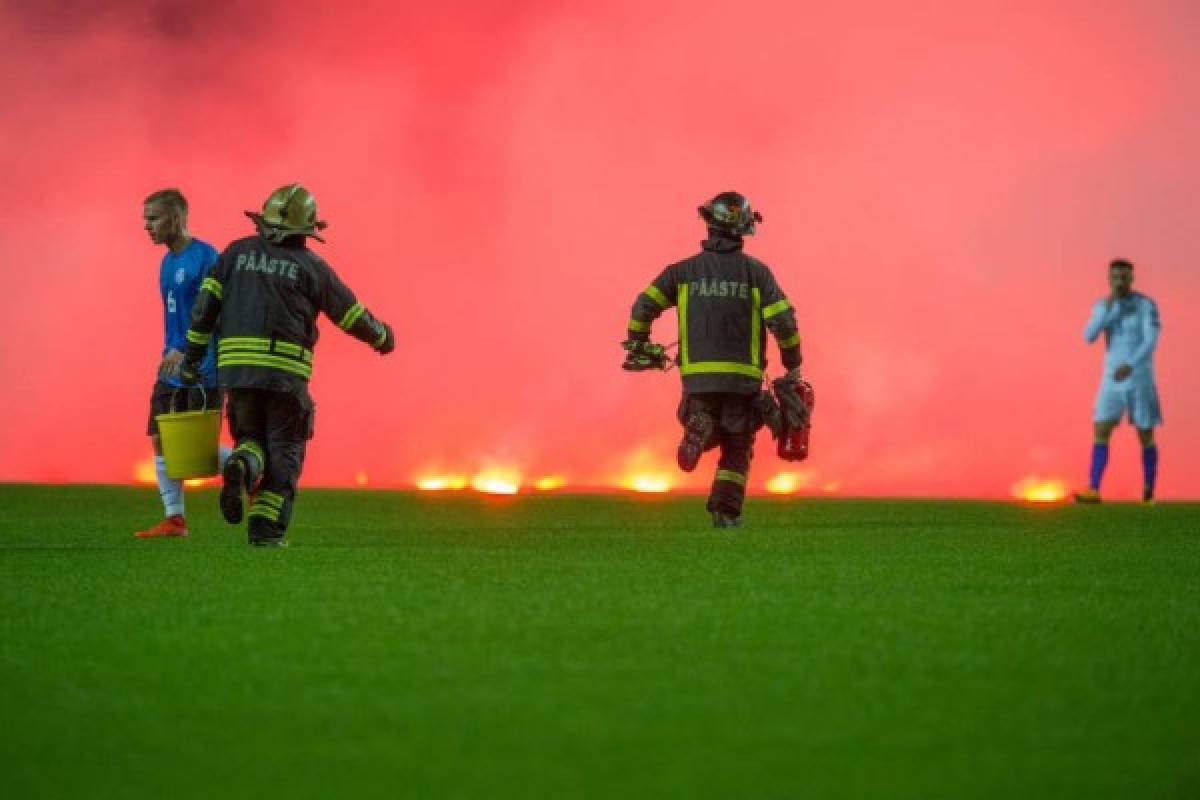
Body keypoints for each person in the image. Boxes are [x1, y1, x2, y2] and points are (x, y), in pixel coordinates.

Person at [180, 184, 395, 547]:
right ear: (306, 229)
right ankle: (266, 533)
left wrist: (191, 358)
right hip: (284, 376)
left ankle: (242, 466)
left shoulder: (235, 253)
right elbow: (349, 313)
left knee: (250, 440)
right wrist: (381, 337)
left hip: (238, 374)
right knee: (285, 453)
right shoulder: (312, 267)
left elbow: (204, 309)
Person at [624, 191, 802, 528]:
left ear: (709, 224)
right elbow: (784, 322)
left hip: (698, 377)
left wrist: (638, 342)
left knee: (703, 415)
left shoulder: (682, 272)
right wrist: (793, 362)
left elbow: (642, 307)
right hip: (743, 379)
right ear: (746, 229)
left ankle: (701, 429)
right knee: (738, 443)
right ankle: (725, 512)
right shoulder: (757, 274)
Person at [136, 188, 223, 538]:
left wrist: (187, 350)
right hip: (170, 367)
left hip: (201, 367)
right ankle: (175, 520)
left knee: (195, 454)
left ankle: (252, 466)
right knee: (159, 437)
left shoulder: (206, 257)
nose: (147, 226)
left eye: (153, 218)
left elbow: (212, 314)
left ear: (176, 218)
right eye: (145, 220)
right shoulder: (167, 262)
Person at [1075, 258, 1162, 504]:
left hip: (1139, 377)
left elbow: (1150, 341)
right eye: (1115, 277)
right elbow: (1088, 336)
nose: (1120, 281)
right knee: (1101, 429)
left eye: (1124, 277)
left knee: (1145, 433)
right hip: (1111, 378)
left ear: (1132, 278)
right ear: (1109, 279)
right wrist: (1108, 308)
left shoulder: (1145, 305)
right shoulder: (1102, 305)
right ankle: (1093, 489)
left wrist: (1131, 365)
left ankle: (1148, 490)